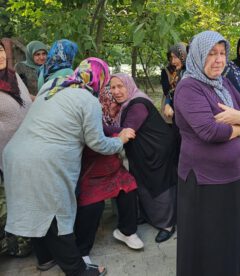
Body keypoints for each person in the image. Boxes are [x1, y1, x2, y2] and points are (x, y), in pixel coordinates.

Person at [3, 57, 131, 276]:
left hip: (15, 156)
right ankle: (78, 270)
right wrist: (120, 139)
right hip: (44, 162)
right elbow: (97, 142)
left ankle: (45, 259)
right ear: (99, 79)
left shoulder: (51, 87)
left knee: (36, 210)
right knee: (55, 216)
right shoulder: (87, 99)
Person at [174, 30, 240, 276]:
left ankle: (236, 268)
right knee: (209, 237)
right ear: (198, 55)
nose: (219, 60)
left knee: (232, 229)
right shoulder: (189, 87)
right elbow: (209, 131)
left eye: (222, 53)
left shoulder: (223, 83)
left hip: (233, 174)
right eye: (211, 53)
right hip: (204, 179)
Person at [75, 87, 144, 264]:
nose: (114, 103)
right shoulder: (86, 113)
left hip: (112, 169)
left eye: (115, 101)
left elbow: (115, 130)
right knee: (92, 205)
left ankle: (126, 231)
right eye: (110, 100)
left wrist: (120, 132)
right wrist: (118, 136)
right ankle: (81, 250)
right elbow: (98, 138)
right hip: (91, 172)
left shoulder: (116, 114)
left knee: (129, 187)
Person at [109, 73, 178, 243]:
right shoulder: (127, 104)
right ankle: (148, 216)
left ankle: (167, 225)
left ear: (129, 85)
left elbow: (126, 131)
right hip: (143, 152)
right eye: (113, 87)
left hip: (156, 152)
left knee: (159, 186)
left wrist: (101, 126)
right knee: (142, 183)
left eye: (120, 86)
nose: (117, 91)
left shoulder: (137, 104)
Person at [0, 40, 33, 258]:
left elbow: (28, 100)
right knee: (8, 202)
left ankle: (25, 242)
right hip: (4, 154)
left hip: (27, 150)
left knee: (25, 196)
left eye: (0, 50)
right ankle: (11, 245)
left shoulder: (13, 78)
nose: (0, 56)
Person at [160, 42, 187, 123]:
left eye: (175, 57)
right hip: (176, 114)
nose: (173, 62)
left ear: (183, 56)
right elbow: (170, 91)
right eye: (171, 58)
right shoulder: (179, 73)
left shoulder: (191, 74)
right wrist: (167, 103)